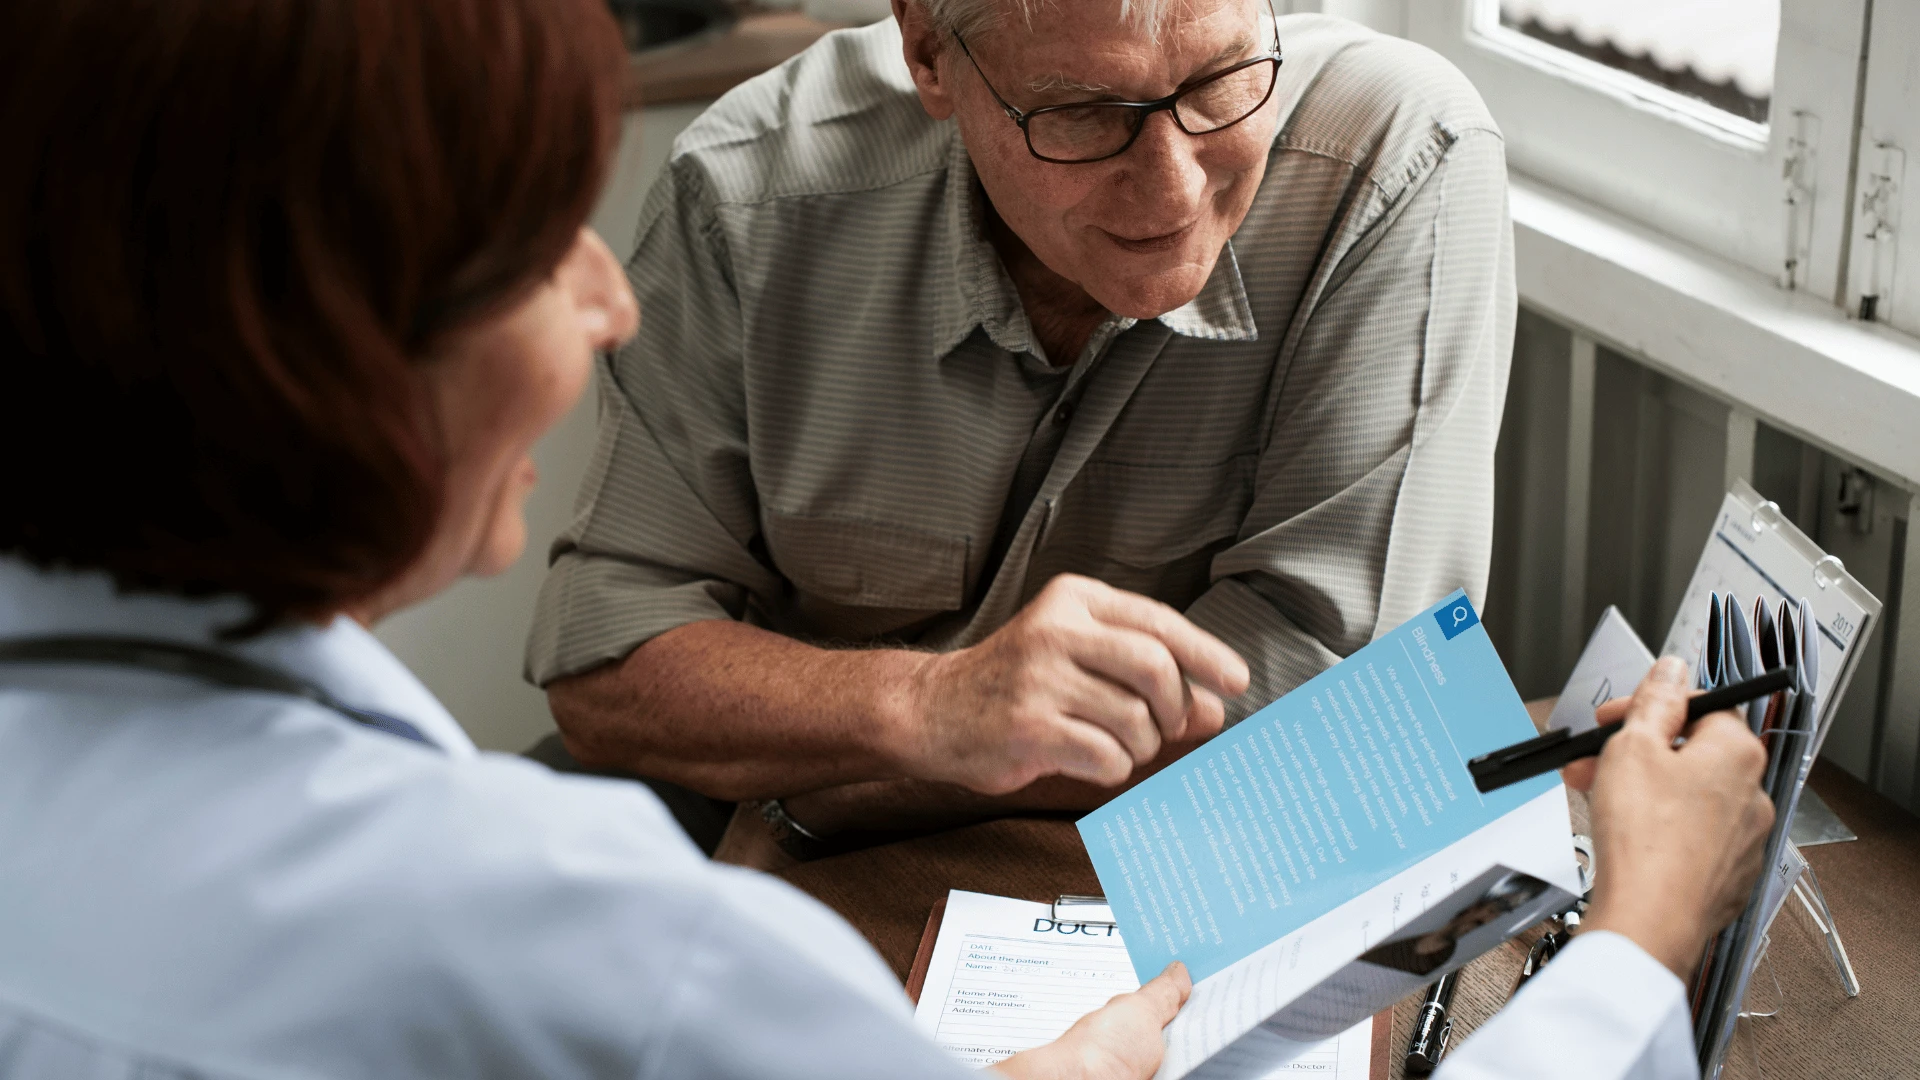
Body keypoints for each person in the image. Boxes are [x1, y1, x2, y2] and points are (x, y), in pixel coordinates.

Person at [0, 3, 1773, 1080]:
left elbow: (1340, 695)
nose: (611, 307)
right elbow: (618, 713)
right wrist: (1635, 938)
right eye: (547, 245)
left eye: (1219, 84)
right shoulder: (621, 961)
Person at [525, 0, 1518, 854]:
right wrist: (927, 709)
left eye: (1220, 80)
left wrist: (837, 760)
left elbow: (1349, 713)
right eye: (1084, 114)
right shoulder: (749, 197)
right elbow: (604, 660)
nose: (1175, 193)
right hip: (766, 858)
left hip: (1163, 862)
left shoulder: (1397, 157)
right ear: (928, 51)